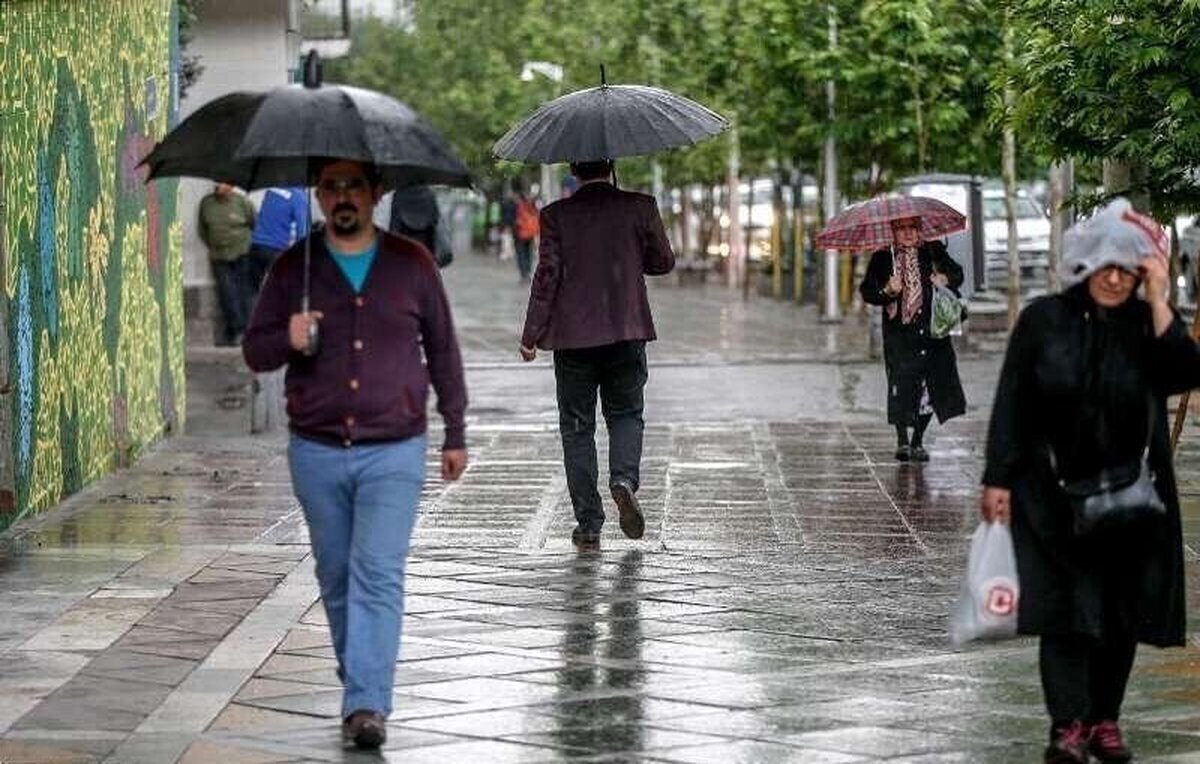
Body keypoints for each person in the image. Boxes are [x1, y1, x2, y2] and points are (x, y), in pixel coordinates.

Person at [242, 160, 468, 750]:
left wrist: (456, 432)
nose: (343, 197)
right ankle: (360, 680)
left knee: (378, 572)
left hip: (395, 448)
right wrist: (285, 337)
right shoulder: (295, 268)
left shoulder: (412, 265)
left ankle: (367, 702)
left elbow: (443, 348)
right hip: (316, 450)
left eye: (354, 187)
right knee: (337, 574)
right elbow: (255, 351)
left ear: (376, 194)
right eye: (331, 187)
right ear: (319, 197)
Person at [980, 199, 1199, 764]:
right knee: (1067, 615)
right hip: (1053, 495)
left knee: (1120, 613)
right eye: (1104, 267)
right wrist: (997, 479)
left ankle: (1105, 720)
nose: (1113, 278)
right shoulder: (1043, 320)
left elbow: (1185, 372)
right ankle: (1067, 727)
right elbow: (1013, 402)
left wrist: (1159, 298)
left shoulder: (1144, 324)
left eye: (1126, 269)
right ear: (1082, 267)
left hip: (1132, 497)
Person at [519, 159, 675, 549]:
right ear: (612, 165)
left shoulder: (556, 215)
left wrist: (531, 333)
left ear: (574, 168)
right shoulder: (640, 206)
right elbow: (663, 262)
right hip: (626, 331)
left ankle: (588, 524)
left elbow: (547, 277)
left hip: (573, 339)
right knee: (625, 414)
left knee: (577, 429)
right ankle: (623, 480)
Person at [859, 217, 966, 461]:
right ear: (893, 233)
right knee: (901, 386)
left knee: (931, 388)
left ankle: (918, 440)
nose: (908, 234)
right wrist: (887, 291)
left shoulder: (933, 250)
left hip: (933, 333)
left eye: (913, 228)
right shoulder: (883, 258)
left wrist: (945, 279)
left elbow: (957, 273)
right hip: (900, 336)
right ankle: (902, 441)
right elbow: (867, 292)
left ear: (920, 231)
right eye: (902, 229)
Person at [197, 182, 255, 345]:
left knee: (244, 291)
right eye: (217, 184)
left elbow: (253, 222)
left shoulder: (242, 202)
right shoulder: (207, 203)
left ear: (231, 186)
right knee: (227, 294)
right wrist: (214, 244)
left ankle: (248, 330)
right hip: (219, 255)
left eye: (223, 183)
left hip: (241, 253)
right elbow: (202, 229)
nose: (218, 186)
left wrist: (245, 243)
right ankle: (237, 330)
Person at [245, 185, 310, 312]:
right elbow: (303, 232)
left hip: (255, 245)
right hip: (276, 250)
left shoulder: (271, 190)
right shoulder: (298, 196)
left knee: (252, 290)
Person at [386, 186, 452, 268]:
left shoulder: (398, 195)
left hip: (405, 247)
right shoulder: (430, 195)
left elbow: (394, 225)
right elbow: (435, 221)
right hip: (425, 247)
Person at [511, 182, 539, 281]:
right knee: (529, 253)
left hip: (520, 233)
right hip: (530, 233)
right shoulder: (532, 205)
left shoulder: (517, 205)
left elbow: (514, 220)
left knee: (521, 254)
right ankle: (528, 272)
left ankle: (523, 274)